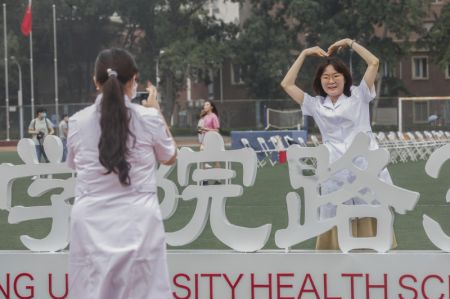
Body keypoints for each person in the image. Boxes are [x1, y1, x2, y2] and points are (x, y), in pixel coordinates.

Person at [66, 48, 176, 298]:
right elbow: (169, 156)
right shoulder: (148, 118)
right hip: (138, 222)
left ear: (96, 82)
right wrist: (156, 109)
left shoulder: (76, 122)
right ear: (134, 79)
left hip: (91, 222)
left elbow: (74, 164)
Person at [280, 38, 395, 250]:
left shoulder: (359, 95)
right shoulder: (315, 105)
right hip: (334, 171)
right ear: (319, 81)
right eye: (325, 77)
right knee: (334, 219)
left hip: (363, 168)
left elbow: (374, 63)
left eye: (335, 76)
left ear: (345, 78)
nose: (331, 81)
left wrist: (350, 43)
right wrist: (304, 53)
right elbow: (286, 84)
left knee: (370, 216)